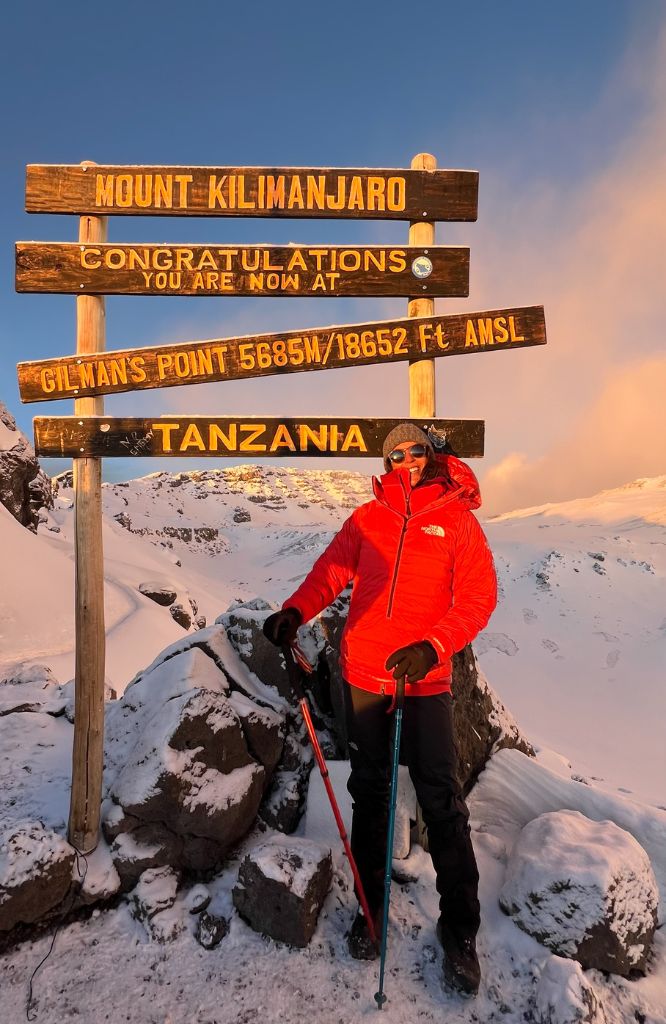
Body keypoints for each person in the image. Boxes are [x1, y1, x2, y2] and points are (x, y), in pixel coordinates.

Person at [263, 423, 497, 996]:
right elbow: (330, 572)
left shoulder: (457, 520)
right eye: (396, 453)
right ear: (387, 462)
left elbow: (478, 597)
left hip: (424, 682)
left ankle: (460, 931)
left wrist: (432, 646)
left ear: (433, 452)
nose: (408, 459)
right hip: (363, 678)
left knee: (442, 801)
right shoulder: (368, 518)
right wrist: (295, 612)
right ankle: (370, 916)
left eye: (417, 449)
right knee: (370, 794)